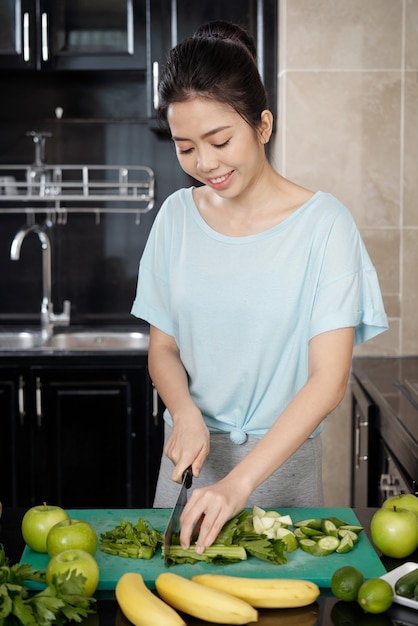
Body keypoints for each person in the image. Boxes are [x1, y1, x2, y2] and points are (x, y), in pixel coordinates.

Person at [131, 21, 388, 555]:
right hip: (187, 470)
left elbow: (328, 380)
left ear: (263, 125)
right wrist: (183, 411)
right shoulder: (175, 219)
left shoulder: (325, 227)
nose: (205, 164)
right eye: (185, 148)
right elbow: (164, 348)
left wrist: (240, 483)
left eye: (220, 141)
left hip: (283, 475)